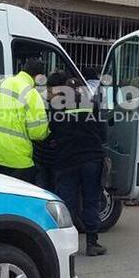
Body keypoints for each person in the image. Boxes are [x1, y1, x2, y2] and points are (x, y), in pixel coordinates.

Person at [51, 77, 108, 256]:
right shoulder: (91, 103)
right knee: (91, 200)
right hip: (91, 159)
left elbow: (52, 130)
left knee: (67, 202)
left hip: (66, 160)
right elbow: (103, 132)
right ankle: (92, 243)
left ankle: (64, 246)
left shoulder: (58, 104)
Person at [0, 59, 49, 183]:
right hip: (16, 157)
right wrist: (47, 132)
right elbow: (37, 133)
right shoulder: (31, 93)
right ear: (38, 77)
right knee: (21, 196)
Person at [33, 71, 67, 192]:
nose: (47, 92)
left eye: (49, 89)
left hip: (50, 158)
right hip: (46, 157)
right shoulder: (50, 105)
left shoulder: (60, 108)